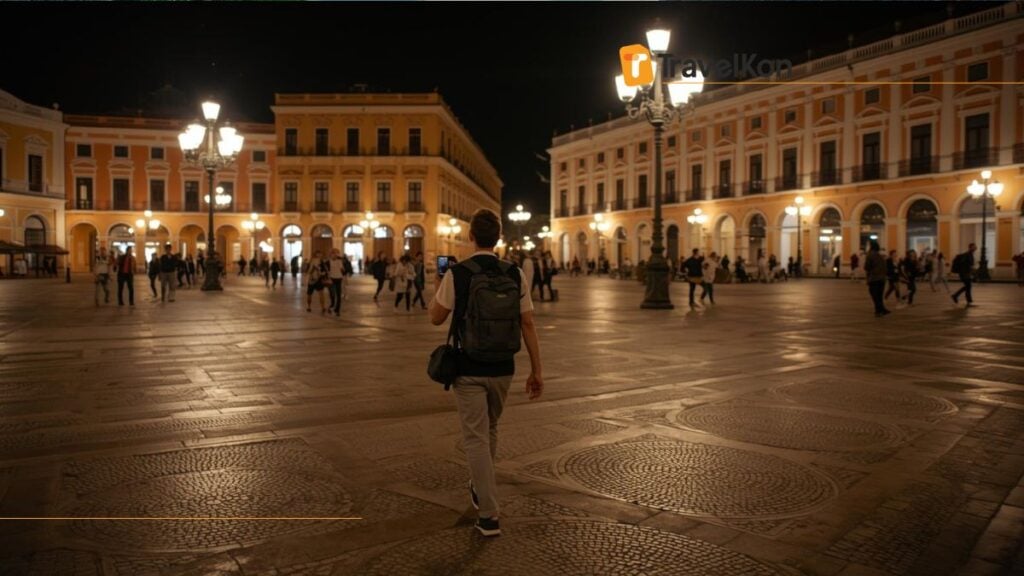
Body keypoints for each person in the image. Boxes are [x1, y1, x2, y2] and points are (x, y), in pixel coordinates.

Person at [429, 208, 543, 537]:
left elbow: (436, 318)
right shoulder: (514, 273)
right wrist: (537, 370)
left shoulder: (458, 274)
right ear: (499, 237)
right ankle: (482, 489)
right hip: (504, 367)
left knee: (475, 438)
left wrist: (438, 285)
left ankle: (489, 515)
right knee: (489, 429)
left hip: (468, 368)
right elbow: (528, 323)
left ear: (471, 236)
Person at [864, 240, 889, 317]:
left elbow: (867, 267)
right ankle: (880, 310)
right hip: (882, 278)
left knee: (874, 295)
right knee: (879, 295)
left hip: (874, 278)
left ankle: (880, 310)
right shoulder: (880, 255)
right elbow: (885, 266)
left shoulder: (870, 255)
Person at [327, 249, 345, 315]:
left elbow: (342, 270)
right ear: (330, 255)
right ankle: (332, 305)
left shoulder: (339, 261)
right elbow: (326, 270)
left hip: (339, 278)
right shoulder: (328, 262)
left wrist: (343, 270)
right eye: (333, 254)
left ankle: (337, 310)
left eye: (335, 254)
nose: (334, 255)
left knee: (338, 294)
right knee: (332, 294)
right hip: (331, 279)